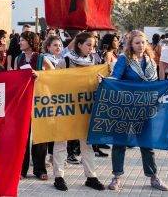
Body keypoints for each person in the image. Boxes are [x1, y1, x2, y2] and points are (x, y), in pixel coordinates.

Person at [107, 30, 168, 191]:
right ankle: (116, 177)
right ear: (131, 44)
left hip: (145, 108)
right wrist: (106, 81)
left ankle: (153, 177)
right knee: (120, 142)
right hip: (125, 108)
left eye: (143, 42)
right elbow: (115, 77)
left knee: (147, 143)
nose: (141, 45)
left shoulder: (150, 60)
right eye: (137, 43)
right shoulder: (124, 59)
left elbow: (154, 83)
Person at [51, 32, 105, 191]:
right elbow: (53, 81)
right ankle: (59, 177)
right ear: (79, 45)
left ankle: (91, 177)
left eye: (93, 45)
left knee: (87, 143)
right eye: (88, 45)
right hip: (67, 107)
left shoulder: (96, 61)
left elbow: (100, 83)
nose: (91, 48)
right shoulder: (65, 61)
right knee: (61, 141)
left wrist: (101, 81)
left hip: (86, 108)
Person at [16, 30, 53, 181]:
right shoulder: (18, 58)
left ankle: (39, 169)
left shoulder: (41, 58)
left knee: (39, 136)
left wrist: (40, 75)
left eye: (23, 40)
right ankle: (21, 169)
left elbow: (53, 74)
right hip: (23, 101)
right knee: (23, 136)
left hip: (39, 100)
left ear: (31, 42)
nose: (20, 42)